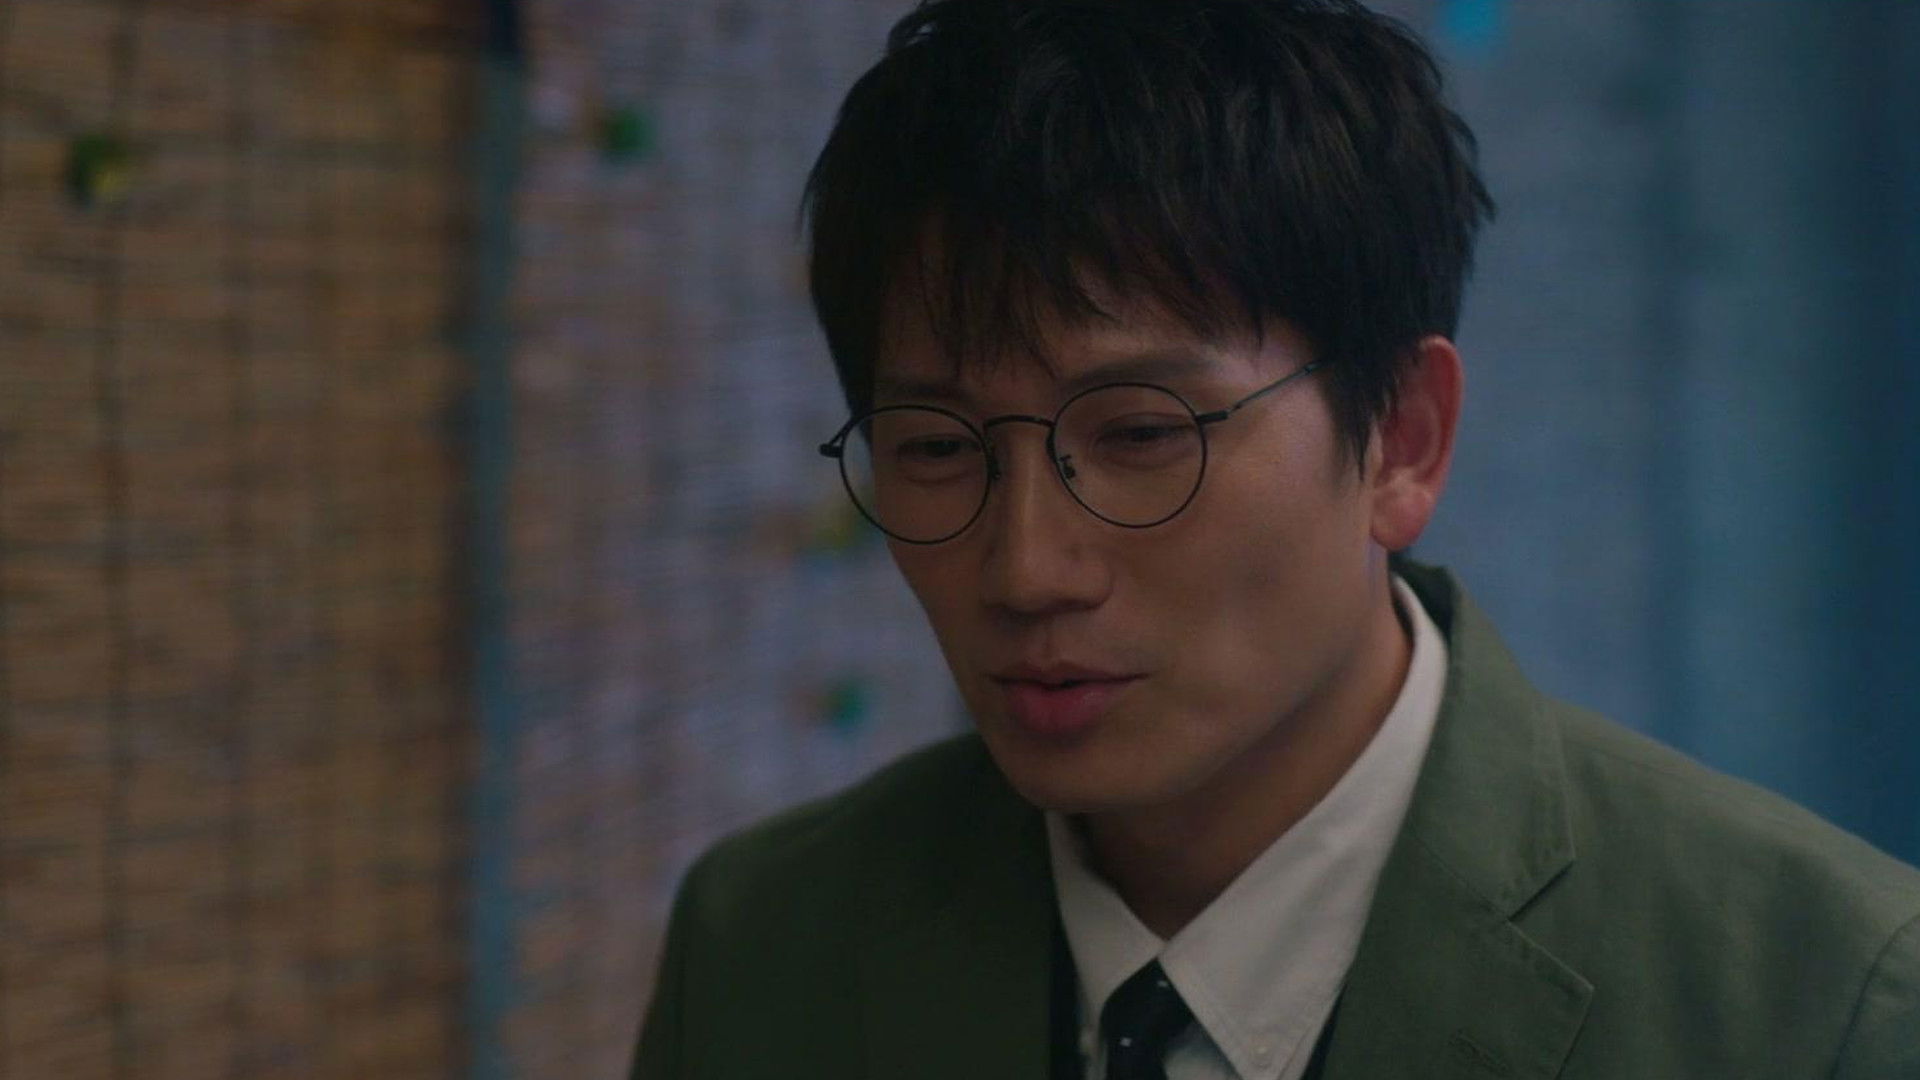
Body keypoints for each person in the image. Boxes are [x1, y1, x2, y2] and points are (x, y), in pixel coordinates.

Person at [632, 1, 1920, 1076]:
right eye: (935, 448)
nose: (1025, 569)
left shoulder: (1823, 1003)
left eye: (1144, 434)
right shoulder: (768, 945)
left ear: (1402, 438)